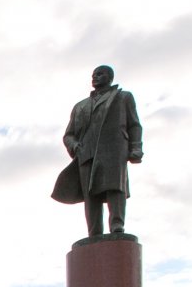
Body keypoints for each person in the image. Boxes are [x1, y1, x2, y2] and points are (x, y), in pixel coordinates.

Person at [51, 64, 144, 238]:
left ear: (110, 77)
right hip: (86, 153)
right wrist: (75, 146)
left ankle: (117, 225)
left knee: (115, 189)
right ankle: (94, 233)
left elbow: (134, 125)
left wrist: (136, 147)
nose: (95, 77)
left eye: (100, 74)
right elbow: (68, 135)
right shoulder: (80, 106)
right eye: (93, 75)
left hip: (114, 150)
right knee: (90, 196)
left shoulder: (123, 97)